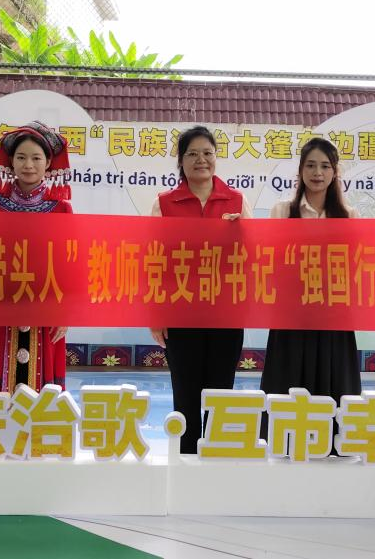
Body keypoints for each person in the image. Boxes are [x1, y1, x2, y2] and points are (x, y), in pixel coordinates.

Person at [150, 125, 251, 454]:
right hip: (180, 312)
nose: (201, 160)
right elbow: (152, 261)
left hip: (226, 313)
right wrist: (155, 314)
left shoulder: (237, 201)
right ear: (181, 160)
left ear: (216, 157)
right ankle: (185, 459)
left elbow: (255, 255)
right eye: (192, 153)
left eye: (207, 153)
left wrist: (242, 232)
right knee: (186, 392)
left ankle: (216, 459)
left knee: (221, 391)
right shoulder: (164, 203)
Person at [0, 122, 73, 393]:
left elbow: (68, 263)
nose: (28, 165)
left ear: (48, 163)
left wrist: (66, 312)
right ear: (11, 161)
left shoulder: (61, 208)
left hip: (46, 303)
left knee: (41, 393)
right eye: (21, 157)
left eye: (36, 158)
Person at [262, 137, 361, 406]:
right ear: (301, 170)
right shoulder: (283, 211)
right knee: (288, 388)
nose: (318, 173)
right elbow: (270, 260)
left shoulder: (348, 215)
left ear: (335, 172)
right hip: (291, 315)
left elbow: (355, 266)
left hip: (333, 315)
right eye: (311, 165)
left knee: (332, 388)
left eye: (325, 166)